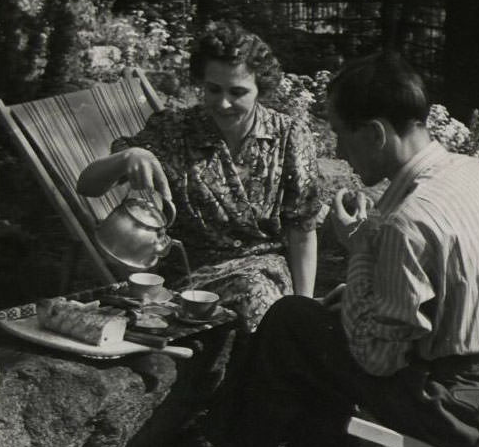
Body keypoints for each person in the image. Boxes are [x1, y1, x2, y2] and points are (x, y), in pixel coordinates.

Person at [212, 50, 479, 447]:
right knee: (308, 328)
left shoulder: (406, 222)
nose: (338, 147)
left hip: (453, 406)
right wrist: (367, 262)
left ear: (377, 133)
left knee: (293, 322)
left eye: (341, 134)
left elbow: (377, 360)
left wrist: (359, 250)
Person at [77, 20, 322, 332]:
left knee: (258, 297)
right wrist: (128, 156)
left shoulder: (289, 135)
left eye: (238, 92)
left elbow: (301, 227)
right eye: (213, 89)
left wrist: (305, 308)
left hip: (263, 269)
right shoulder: (174, 129)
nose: (223, 103)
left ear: (262, 89)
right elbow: (87, 185)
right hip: (188, 277)